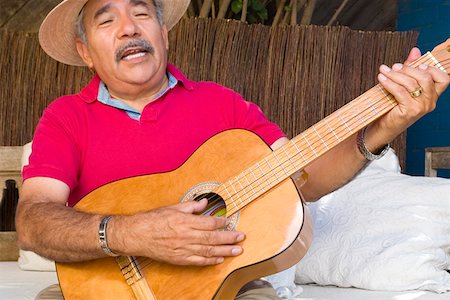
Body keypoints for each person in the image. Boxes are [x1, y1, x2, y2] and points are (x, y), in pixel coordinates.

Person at [15, 0, 449, 299]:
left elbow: (305, 178)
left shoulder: (222, 104)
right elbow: (34, 221)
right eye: (106, 20)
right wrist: (133, 233)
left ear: (163, 33)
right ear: (84, 51)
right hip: (102, 288)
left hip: (227, 289)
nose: (129, 27)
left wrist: (383, 126)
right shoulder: (65, 117)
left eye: (142, 13)